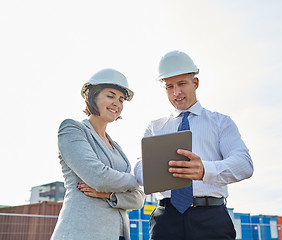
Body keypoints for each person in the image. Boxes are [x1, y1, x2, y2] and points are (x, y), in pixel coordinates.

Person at [134, 50, 254, 240]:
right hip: (166, 219)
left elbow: (244, 164)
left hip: (210, 219)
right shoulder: (155, 127)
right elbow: (139, 168)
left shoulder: (221, 122)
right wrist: (157, 172)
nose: (176, 92)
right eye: (169, 87)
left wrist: (205, 170)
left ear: (195, 83)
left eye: (182, 84)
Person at [52, 68, 145, 240]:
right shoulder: (72, 129)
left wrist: (109, 195)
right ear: (93, 97)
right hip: (82, 232)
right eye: (110, 96)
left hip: (119, 234)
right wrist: (136, 181)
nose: (117, 103)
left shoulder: (117, 148)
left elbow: (139, 199)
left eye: (121, 99)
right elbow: (98, 177)